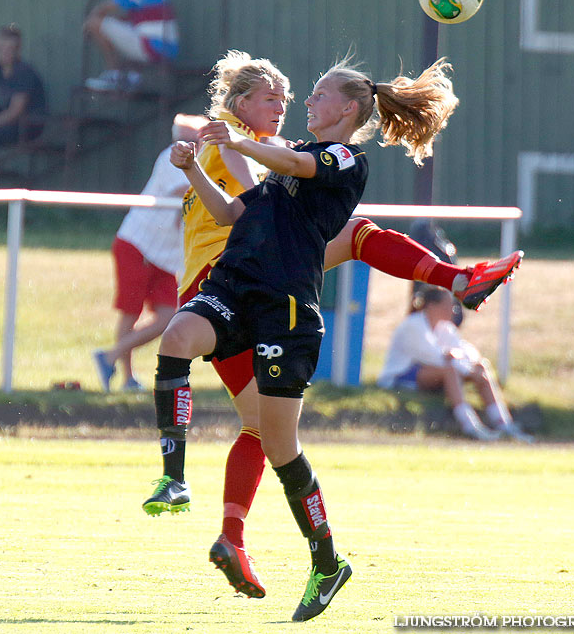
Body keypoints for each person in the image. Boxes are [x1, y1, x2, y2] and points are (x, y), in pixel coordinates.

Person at [140, 52, 523, 605]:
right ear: (243, 103)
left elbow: (281, 174)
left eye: (303, 95)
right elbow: (242, 201)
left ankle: (255, 541)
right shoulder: (246, 142)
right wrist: (215, 151)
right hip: (227, 276)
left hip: (275, 289)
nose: (293, 104)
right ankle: (187, 488)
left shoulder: (319, 154)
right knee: (246, 409)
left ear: (347, 108)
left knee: (268, 435)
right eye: (276, 96)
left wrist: (235, 145)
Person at [91, 114, 194, 391]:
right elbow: (184, 190)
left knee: (168, 316)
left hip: (164, 256)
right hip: (139, 245)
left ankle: (109, 358)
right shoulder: (172, 157)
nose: (191, 143)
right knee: (130, 313)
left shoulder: (199, 163)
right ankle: (126, 377)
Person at [378, 286, 533, 442]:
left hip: (435, 373)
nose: (452, 310)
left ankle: (504, 424)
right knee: (450, 370)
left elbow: (467, 351)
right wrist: (467, 369)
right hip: (400, 377)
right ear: (432, 306)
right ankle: (470, 426)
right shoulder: (413, 325)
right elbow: (436, 357)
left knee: (481, 367)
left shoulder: (445, 328)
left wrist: (473, 367)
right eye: (447, 305)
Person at [83, 0, 179, 92]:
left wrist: (87, 27)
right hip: (169, 49)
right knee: (125, 26)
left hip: (152, 47)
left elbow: (102, 10)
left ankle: (114, 76)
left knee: (94, 22)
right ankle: (133, 78)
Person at [0, 24, 46, 188]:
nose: (5, 52)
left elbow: (15, 112)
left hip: (28, 124)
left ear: (18, 50)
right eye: (1, 48)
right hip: (8, 120)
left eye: (10, 49)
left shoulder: (23, 72)